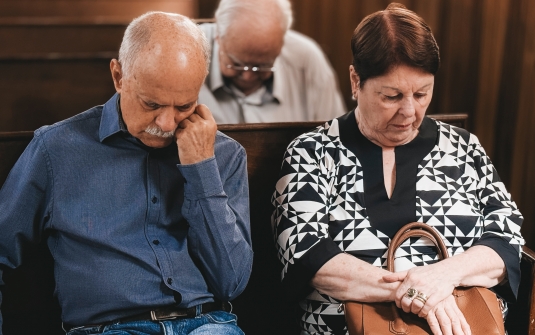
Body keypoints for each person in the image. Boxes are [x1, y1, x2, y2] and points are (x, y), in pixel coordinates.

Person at [271, 3, 524, 335]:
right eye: (391, 96)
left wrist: (442, 276)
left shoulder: (465, 147)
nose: (409, 112)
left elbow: (507, 239)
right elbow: (304, 253)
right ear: (355, 80)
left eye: (421, 94)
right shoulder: (312, 152)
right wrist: (417, 292)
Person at [0, 12, 253, 335]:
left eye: (184, 106)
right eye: (152, 104)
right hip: (109, 328)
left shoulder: (225, 155)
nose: (166, 124)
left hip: (208, 326)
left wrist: (200, 168)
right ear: (119, 77)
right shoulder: (56, 150)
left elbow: (231, 283)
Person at [198, 0, 347, 124]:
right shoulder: (188, 51)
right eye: (237, 63)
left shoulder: (307, 60)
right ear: (218, 36)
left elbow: (337, 140)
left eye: (262, 66)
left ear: (282, 44)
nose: (248, 76)